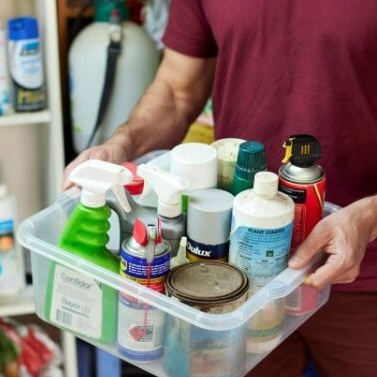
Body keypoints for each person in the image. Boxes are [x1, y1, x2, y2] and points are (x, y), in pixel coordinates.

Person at [64, 1, 377, 376]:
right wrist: (123, 144)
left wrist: (371, 216)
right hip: (232, 279)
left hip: (363, 274)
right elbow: (178, 90)